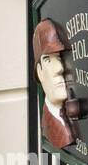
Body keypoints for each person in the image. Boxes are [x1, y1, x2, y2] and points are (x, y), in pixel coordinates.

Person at [34, 19, 79, 150]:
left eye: (59, 58)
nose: (59, 68)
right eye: (48, 60)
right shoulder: (51, 125)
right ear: (39, 72)